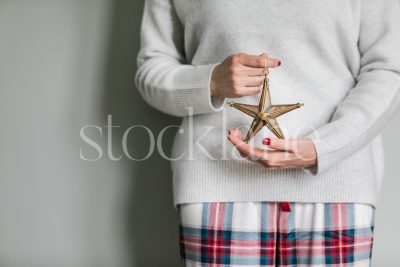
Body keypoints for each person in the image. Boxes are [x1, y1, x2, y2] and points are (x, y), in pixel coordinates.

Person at [135, 0, 400, 266]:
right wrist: (212, 81)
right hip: (217, 184)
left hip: (335, 184)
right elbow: (151, 71)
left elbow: (389, 69)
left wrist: (325, 147)